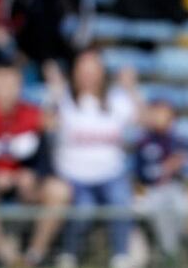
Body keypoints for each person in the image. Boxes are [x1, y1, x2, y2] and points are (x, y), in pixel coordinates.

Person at [0, 64, 70, 266]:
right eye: (1, 84)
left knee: (59, 190)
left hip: (26, 188)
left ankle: (33, 257)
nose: (7, 91)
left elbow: (45, 161)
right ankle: (5, 255)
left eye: (12, 85)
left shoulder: (34, 115)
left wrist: (32, 176)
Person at [43, 50, 141, 268]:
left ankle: (121, 256)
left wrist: (132, 89)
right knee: (82, 211)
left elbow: (144, 121)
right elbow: (45, 126)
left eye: (93, 70)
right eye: (83, 70)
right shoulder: (63, 98)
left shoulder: (117, 99)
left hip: (111, 175)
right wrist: (53, 96)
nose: (88, 76)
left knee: (121, 200)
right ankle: (68, 255)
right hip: (73, 176)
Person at [133, 100, 188, 263]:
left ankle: (185, 251)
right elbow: (146, 174)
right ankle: (169, 254)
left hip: (175, 188)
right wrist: (166, 167)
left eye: (166, 114)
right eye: (159, 113)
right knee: (162, 209)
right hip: (150, 191)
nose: (162, 118)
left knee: (186, 207)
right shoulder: (145, 141)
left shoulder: (178, 140)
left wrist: (173, 165)